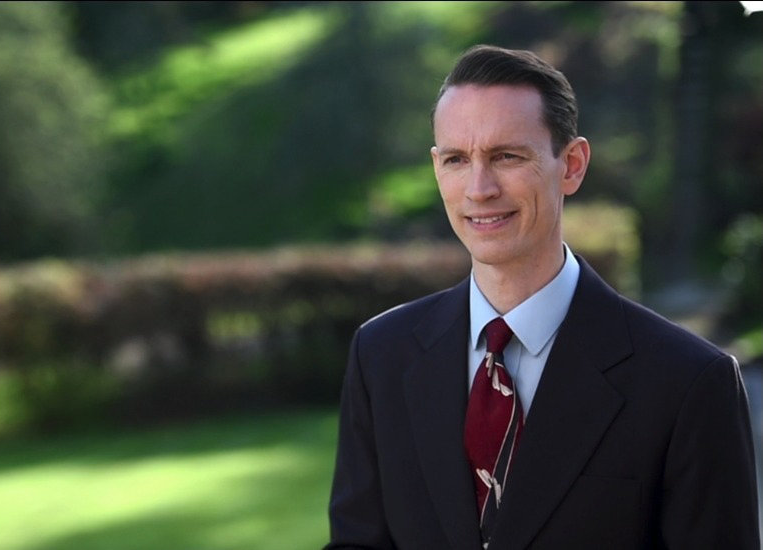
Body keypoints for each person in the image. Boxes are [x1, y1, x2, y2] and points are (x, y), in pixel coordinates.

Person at [324, 45, 760, 550]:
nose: (479, 189)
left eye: (506, 156)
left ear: (571, 165)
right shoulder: (381, 355)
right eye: (457, 159)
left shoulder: (689, 383)